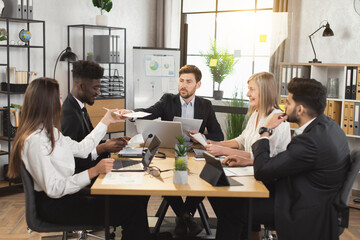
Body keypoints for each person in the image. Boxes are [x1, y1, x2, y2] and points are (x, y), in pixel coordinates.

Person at [7, 78, 151, 240]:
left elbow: (82, 149)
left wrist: (107, 120)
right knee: (133, 209)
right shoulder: (35, 141)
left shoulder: (50, 132)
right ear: (47, 103)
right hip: (57, 206)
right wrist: (94, 170)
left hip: (69, 195)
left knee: (135, 198)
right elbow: (54, 189)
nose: (61, 103)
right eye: (58, 98)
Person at [209, 78, 350, 240]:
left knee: (231, 211)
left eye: (288, 103)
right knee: (233, 199)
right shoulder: (328, 127)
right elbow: (283, 163)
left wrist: (265, 132)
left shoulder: (310, 141)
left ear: (300, 109)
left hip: (302, 209)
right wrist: (251, 160)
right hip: (311, 197)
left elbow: (262, 171)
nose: (284, 107)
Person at [121, 64, 224, 237]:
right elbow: (149, 113)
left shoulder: (205, 105)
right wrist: (130, 113)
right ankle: (186, 217)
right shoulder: (168, 100)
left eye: (188, 81)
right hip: (171, 152)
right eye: (181, 81)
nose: (183, 85)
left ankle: (184, 216)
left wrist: (200, 136)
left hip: (193, 153)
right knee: (165, 179)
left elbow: (218, 134)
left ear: (198, 85)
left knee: (204, 179)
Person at [206, 72, 291, 167]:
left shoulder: (277, 119)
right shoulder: (256, 113)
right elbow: (241, 141)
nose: (248, 94)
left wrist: (223, 150)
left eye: (252, 89)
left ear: (264, 92)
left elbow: (260, 156)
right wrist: (216, 144)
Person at [62, 60, 127, 174]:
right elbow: (73, 160)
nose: (98, 92)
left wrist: (110, 142)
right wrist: (104, 148)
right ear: (81, 86)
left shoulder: (79, 107)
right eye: (95, 88)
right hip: (83, 177)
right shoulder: (69, 114)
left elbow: (90, 139)